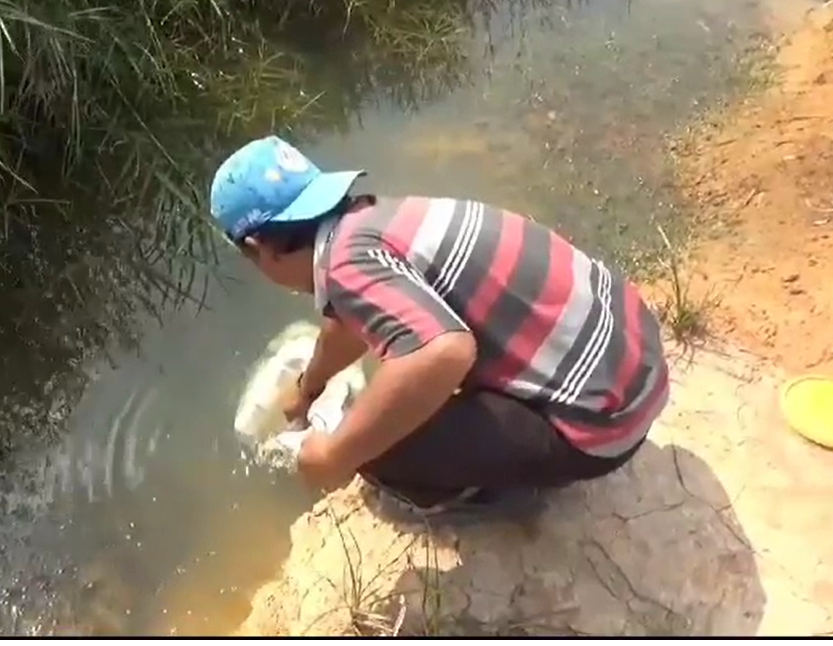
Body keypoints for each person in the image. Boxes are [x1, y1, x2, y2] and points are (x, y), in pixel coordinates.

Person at [210, 135, 670, 518]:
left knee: (373, 449)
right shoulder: (374, 220)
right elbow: (347, 324)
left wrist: (335, 456)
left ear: (257, 247)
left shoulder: (344, 267)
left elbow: (444, 353)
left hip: (603, 426)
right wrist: (309, 387)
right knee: (406, 388)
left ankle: (492, 500)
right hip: (640, 362)